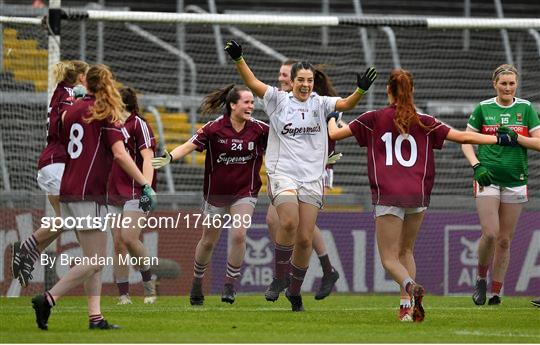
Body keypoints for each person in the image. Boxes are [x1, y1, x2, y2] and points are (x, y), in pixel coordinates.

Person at [327, 68, 515, 322]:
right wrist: (496, 139)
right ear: (412, 91)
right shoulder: (425, 120)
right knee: (407, 251)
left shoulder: (374, 117)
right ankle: (407, 307)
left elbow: (335, 133)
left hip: (388, 193)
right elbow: (461, 136)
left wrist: (331, 116)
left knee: (389, 258)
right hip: (418, 194)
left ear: (388, 91)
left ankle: (409, 286)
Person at [224, 40, 377, 311]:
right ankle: (279, 278)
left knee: (306, 239)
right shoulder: (277, 100)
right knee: (289, 221)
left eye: (309, 80)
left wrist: (361, 90)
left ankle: (294, 293)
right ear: (292, 82)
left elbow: (347, 103)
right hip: (282, 174)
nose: (305, 84)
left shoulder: (321, 103)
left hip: (312, 178)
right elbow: (253, 81)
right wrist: (239, 58)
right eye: (300, 80)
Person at [31, 64, 157, 331]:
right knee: (97, 260)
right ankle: (48, 298)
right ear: (106, 83)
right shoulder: (105, 112)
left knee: (93, 260)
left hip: (69, 189)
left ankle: (95, 317)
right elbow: (121, 154)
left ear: (85, 84)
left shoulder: (70, 110)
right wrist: (145, 183)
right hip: (90, 192)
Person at [152, 84, 269, 305]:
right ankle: (197, 282)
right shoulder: (213, 128)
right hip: (216, 195)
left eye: (252, 103)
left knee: (239, 235)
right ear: (233, 105)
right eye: (247, 102)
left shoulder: (260, 129)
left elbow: (287, 145)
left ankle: (229, 285)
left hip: (245, 192)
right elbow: (188, 145)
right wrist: (170, 157)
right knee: (208, 241)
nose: (251, 106)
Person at [462, 64, 540, 306]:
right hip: (488, 179)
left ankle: (496, 292)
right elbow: (466, 141)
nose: (507, 87)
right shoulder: (484, 108)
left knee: (505, 240)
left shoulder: (526, 109)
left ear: (516, 85)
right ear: (494, 84)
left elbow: (538, 143)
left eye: (511, 83)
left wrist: (518, 138)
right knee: (490, 233)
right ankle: (481, 280)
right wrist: (477, 166)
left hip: (516, 180)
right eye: (503, 83)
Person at [266, 59, 340, 300]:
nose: (281, 78)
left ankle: (325, 269)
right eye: (280, 74)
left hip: (317, 168)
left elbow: (338, 127)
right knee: (277, 219)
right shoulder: (283, 101)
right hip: (289, 169)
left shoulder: (320, 103)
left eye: (285, 74)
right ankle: (288, 273)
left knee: (303, 227)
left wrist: (333, 144)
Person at [12, 60, 89, 287]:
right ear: (81, 77)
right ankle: (26, 248)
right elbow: (66, 117)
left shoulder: (62, 91)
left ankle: (28, 253)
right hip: (56, 164)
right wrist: (81, 102)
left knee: (66, 218)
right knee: (70, 218)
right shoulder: (67, 93)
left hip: (54, 164)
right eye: (86, 75)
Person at [108, 87, 157, 305]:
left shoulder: (139, 124)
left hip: (136, 189)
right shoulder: (108, 123)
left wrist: (147, 186)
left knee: (129, 237)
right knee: (118, 243)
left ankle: (149, 287)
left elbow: (148, 157)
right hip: (113, 190)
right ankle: (123, 295)